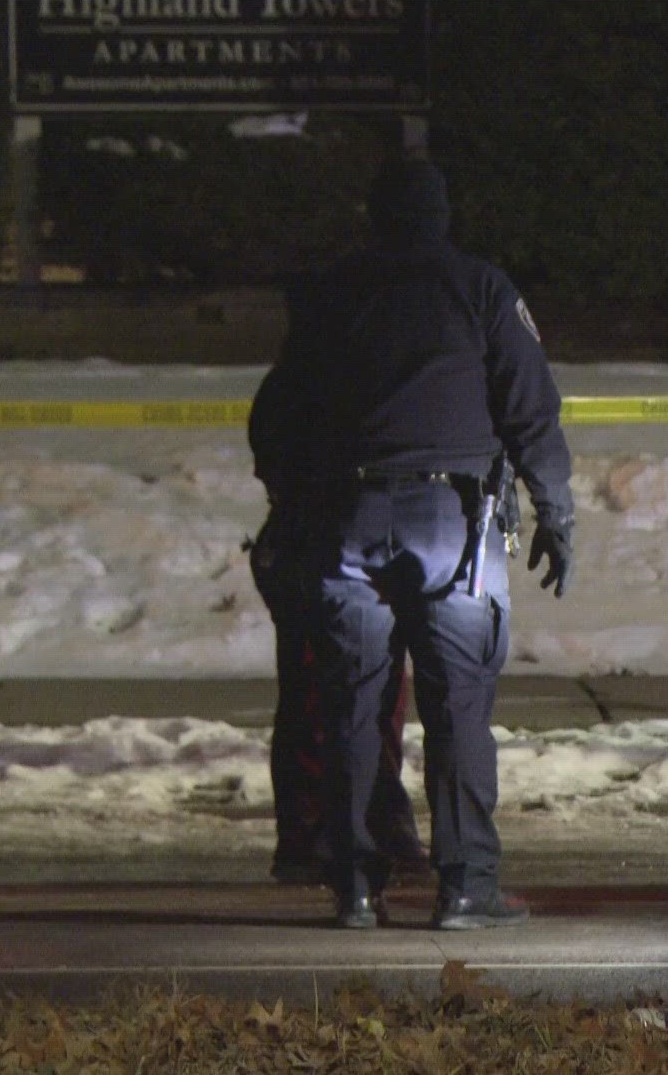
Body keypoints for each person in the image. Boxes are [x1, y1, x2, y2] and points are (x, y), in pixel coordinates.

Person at [249, 156, 574, 930]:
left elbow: (275, 418)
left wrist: (297, 502)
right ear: (442, 215)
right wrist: (556, 512)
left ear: (373, 216)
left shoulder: (331, 295)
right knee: (459, 709)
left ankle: (356, 886)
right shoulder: (484, 290)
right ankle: (466, 886)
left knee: (353, 710)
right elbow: (532, 413)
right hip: (453, 530)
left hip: (346, 524)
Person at [245, 478, 427, 885]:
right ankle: (320, 831)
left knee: (372, 689)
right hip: (319, 534)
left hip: (347, 529)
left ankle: (366, 820)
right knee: (321, 691)